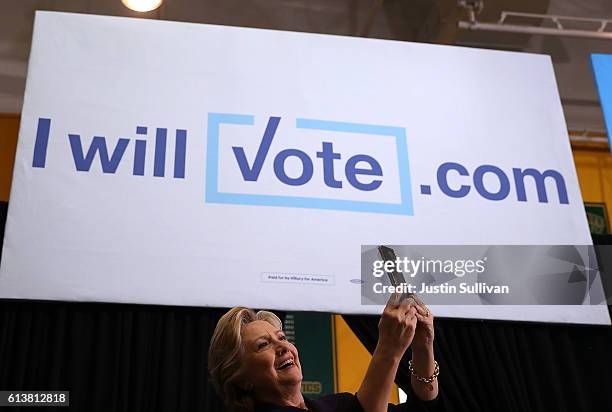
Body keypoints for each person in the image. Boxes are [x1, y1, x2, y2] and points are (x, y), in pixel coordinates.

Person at [208, 294, 441, 411]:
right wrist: (389, 349)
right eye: (262, 345)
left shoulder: (336, 405)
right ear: (242, 379)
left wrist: (423, 346)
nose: (282, 347)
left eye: (282, 338)